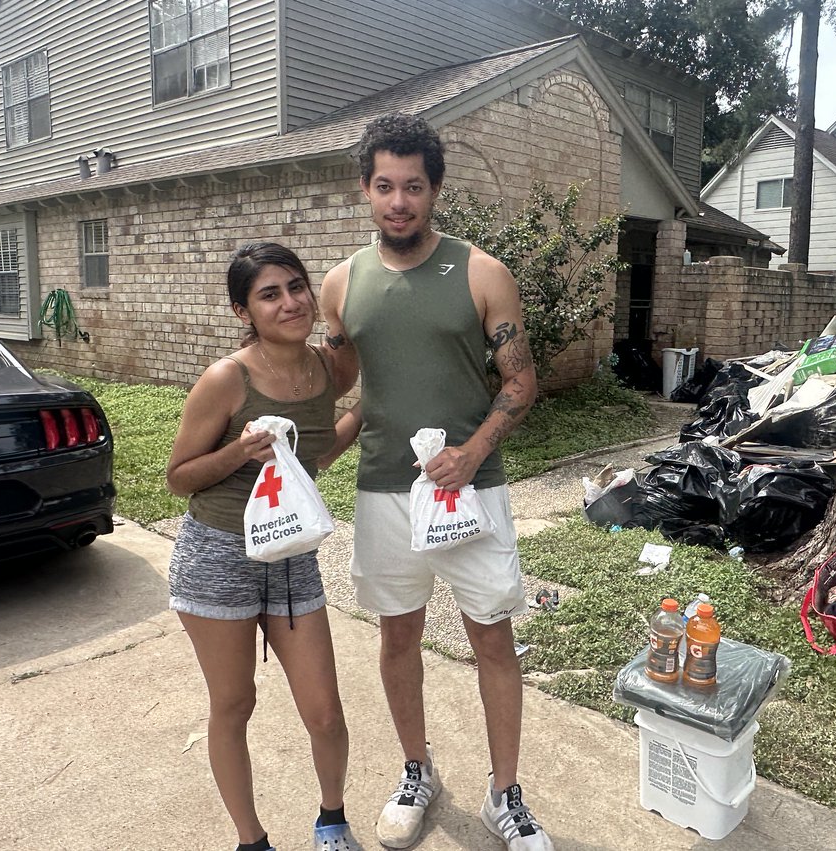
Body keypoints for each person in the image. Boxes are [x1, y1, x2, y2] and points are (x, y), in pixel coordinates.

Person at [320, 113, 553, 851]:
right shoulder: (340, 284)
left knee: (492, 637)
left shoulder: (482, 273)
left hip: (470, 489)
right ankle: (416, 771)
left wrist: (475, 451)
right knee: (399, 635)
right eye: (384, 186)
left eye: (412, 186)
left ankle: (505, 796)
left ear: (435, 189)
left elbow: (521, 381)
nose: (398, 201)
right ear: (365, 189)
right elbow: (348, 385)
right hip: (385, 490)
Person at [166, 242, 364, 851]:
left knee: (325, 711)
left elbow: (316, 453)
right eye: (269, 294)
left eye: (296, 287)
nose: (290, 302)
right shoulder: (227, 378)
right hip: (217, 556)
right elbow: (178, 478)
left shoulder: (330, 369)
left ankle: (332, 819)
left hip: (291, 555)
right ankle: (251, 841)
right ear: (242, 311)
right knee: (234, 704)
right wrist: (237, 453)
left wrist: (369, 412)